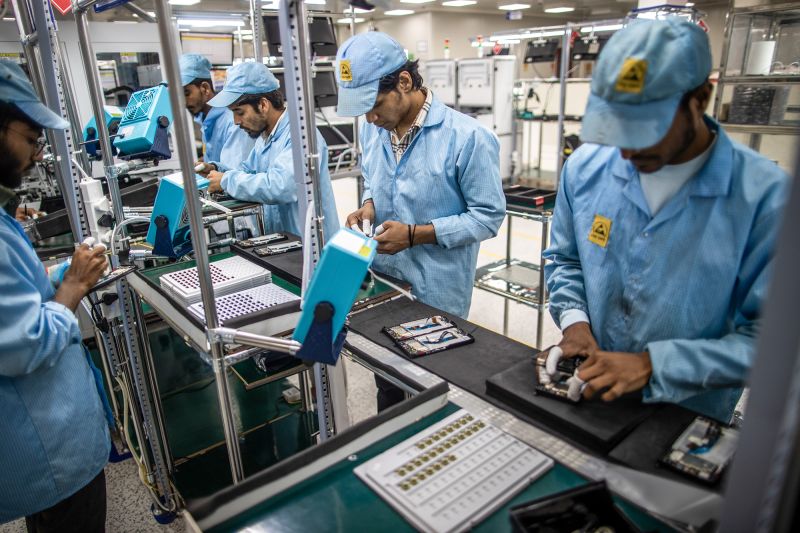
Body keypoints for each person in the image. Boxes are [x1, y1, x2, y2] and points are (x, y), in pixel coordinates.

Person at [543, 19, 789, 423]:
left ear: (701, 98)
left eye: (647, 129)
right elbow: (566, 260)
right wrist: (575, 322)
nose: (626, 151)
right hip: (590, 397)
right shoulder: (586, 169)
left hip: (686, 415)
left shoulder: (766, 199)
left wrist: (654, 365)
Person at [335, 32, 506, 410]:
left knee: (431, 396)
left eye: (375, 105)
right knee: (390, 391)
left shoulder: (469, 138)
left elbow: (488, 217)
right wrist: (368, 206)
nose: (370, 118)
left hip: (437, 296)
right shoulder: (374, 128)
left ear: (405, 82)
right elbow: (373, 178)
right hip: (383, 287)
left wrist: (416, 235)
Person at [0, 60, 110, 531]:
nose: (37, 153)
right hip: (50, 453)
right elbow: (23, 343)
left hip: (35, 446)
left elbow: (15, 295)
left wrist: (60, 273)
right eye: (30, 138)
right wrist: (73, 288)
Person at [200, 62, 339, 240]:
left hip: (311, 247)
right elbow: (247, 172)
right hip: (286, 243)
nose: (235, 121)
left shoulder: (300, 135)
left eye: (240, 112)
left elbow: (282, 186)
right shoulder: (265, 137)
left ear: (263, 105)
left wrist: (226, 181)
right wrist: (216, 169)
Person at [180, 54, 254, 171]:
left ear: (205, 88)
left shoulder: (232, 122)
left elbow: (237, 173)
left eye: (186, 93)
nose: (183, 102)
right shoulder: (206, 119)